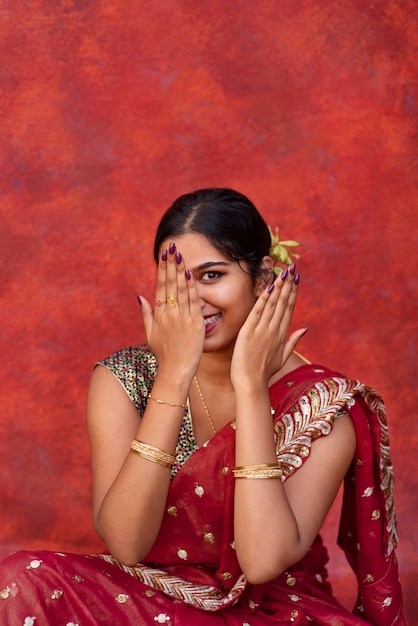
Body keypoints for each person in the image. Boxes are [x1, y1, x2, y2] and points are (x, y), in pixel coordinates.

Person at [0, 188, 405, 625]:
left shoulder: (322, 404)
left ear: (263, 277)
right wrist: (173, 375)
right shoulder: (126, 378)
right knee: (20, 580)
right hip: (151, 599)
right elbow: (127, 544)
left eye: (212, 275)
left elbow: (262, 561)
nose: (193, 298)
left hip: (275, 611)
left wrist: (250, 387)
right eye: (177, 280)